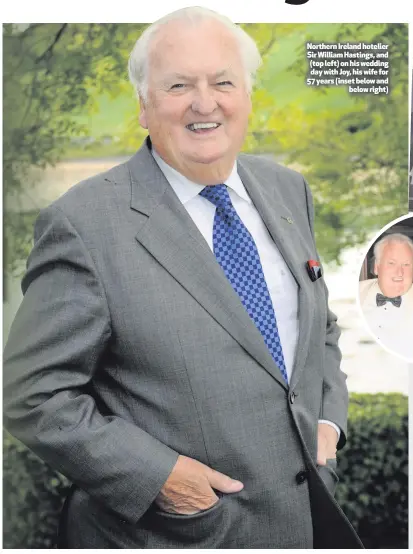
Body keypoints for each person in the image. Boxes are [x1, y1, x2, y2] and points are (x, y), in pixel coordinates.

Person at [3, 7, 362, 549]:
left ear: (247, 97)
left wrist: (329, 424)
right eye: (178, 86)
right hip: (170, 535)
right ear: (144, 106)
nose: (205, 102)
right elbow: (33, 394)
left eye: (223, 82)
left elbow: (320, 330)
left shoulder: (289, 189)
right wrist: (159, 479)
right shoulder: (83, 224)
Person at [359, 232, 413, 361]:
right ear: (377, 267)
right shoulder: (353, 292)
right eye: (391, 263)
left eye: (406, 264)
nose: (400, 272)